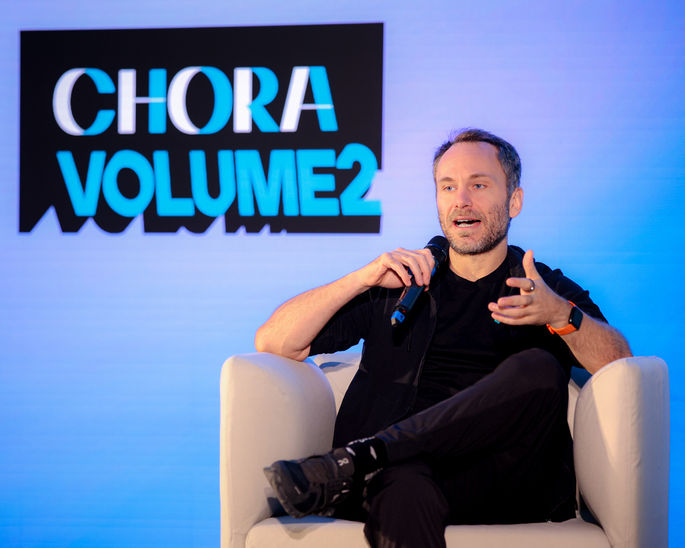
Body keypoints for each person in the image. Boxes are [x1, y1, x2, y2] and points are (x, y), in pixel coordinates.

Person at [255, 128, 632, 548]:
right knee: (402, 485)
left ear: (514, 201)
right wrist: (361, 279)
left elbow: (619, 365)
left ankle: (357, 458)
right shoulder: (400, 283)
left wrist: (561, 315)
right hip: (404, 476)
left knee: (539, 367)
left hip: (501, 479)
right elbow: (274, 341)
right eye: (448, 186)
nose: (461, 200)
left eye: (479, 185)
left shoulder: (541, 287)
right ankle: (375, 456)